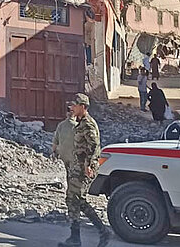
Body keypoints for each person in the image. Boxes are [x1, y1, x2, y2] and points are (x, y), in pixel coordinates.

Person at [59, 93, 111, 247]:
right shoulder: (80, 123)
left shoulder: (88, 124)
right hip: (77, 166)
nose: (71, 107)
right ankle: (75, 238)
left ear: (83, 107)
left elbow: (94, 146)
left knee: (78, 200)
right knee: (72, 199)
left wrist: (88, 165)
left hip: (84, 168)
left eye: (75, 105)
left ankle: (102, 231)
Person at [52, 104, 77, 173]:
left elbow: (55, 141)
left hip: (63, 155)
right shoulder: (77, 126)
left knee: (67, 172)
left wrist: (54, 153)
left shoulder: (61, 125)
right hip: (74, 155)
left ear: (67, 114)